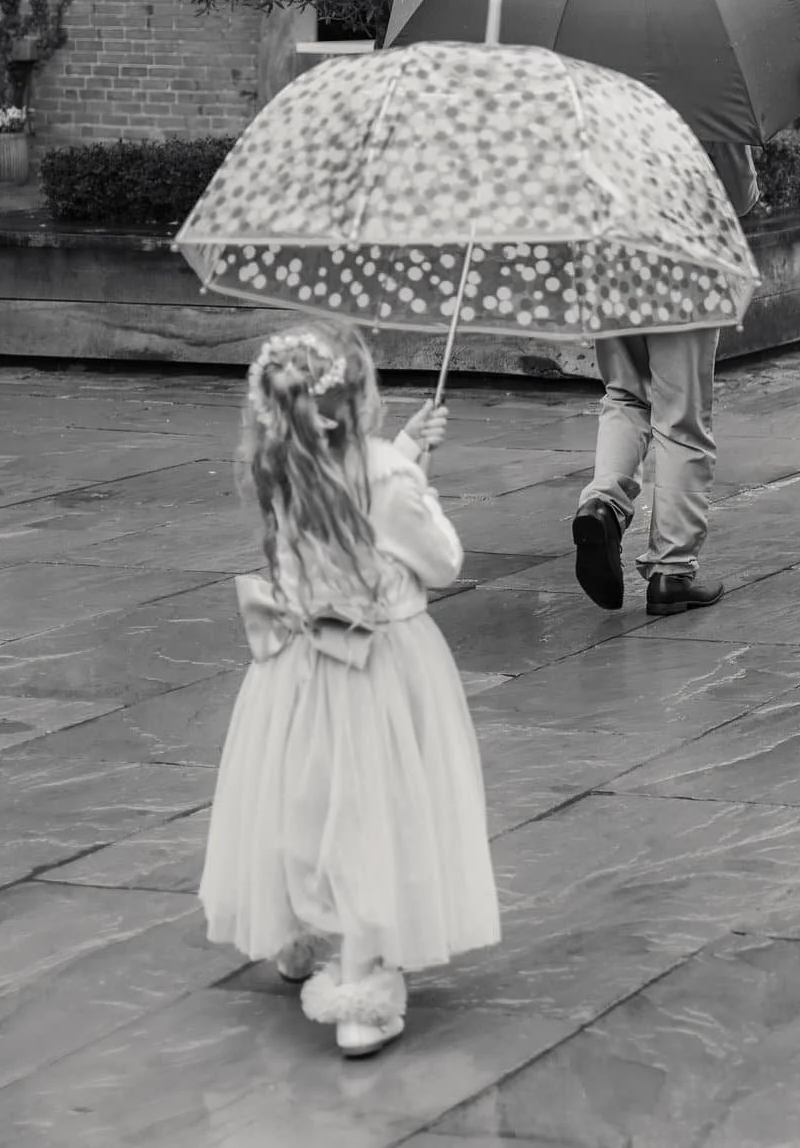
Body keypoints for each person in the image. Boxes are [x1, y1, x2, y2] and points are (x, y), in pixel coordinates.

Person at [199, 323, 498, 1059]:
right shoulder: (387, 480)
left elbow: (346, 493)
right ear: (358, 398)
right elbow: (443, 560)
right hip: (378, 669)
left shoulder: (283, 464)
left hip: (294, 668)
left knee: (298, 795)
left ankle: (293, 936)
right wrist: (413, 477)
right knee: (372, 812)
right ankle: (360, 992)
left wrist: (403, 448)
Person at [573, 138, 759, 616]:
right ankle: (671, 571)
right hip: (686, 266)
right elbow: (738, 196)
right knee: (681, 418)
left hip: (610, 260)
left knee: (624, 395)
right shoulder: (708, 95)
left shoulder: (598, 86)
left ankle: (602, 506)